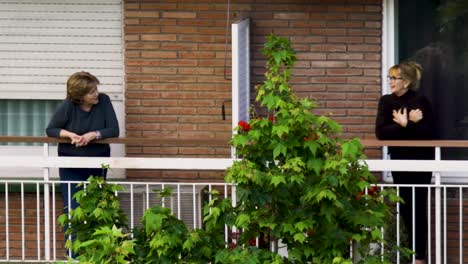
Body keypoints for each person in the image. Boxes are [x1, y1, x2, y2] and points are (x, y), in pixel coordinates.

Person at [375, 61, 434, 264]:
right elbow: (381, 133)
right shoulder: (386, 102)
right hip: (399, 161)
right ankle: (411, 254)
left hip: (421, 161)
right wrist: (406, 124)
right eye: (389, 78)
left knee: (419, 207)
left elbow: (429, 133)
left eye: (395, 78)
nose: (390, 82)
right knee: (406, 208)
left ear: (406, 82)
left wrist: (405, 124)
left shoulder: (421, 101)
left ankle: (419, 258)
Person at [46, 71, 119, 215]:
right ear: (79, 96)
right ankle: (73, 238)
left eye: (96, 89)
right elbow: (51, 130)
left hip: (98, 161)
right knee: (74, 207)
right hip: (71, 163)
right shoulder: (68, 105)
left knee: (98, 206)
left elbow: (113, 130)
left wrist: (93, 135)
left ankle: (95, 237)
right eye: (91, 92)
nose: (96, 93)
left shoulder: (104, 101)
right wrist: (69, 135)